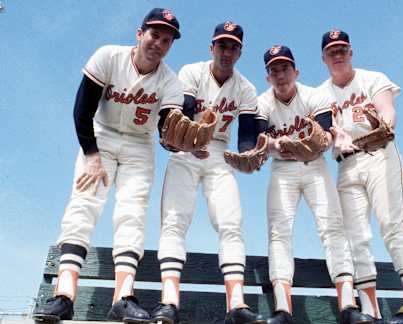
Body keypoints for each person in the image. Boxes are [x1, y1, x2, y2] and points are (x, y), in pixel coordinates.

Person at [32, 8, 184, 323]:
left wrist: (181, 140)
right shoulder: (109, 56)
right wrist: (90, 154)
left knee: (132, 213)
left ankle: (122, 298)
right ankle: (64, 296)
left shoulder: (170, 82)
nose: (159, 43)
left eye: (166, 40)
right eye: (155, 34)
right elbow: (82, 108)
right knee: (83, 205)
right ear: (140, 33)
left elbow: (166, 131)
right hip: (100, 135)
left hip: (139, 146)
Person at [151, 21, 266, 324]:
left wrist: (247, 153)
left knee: (231, 223)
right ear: (211, 47)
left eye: (233, 46)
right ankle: (169, 302)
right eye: (222, 45)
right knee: (175, 222)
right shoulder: (192, 72)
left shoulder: (246, 88)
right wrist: (189, 141)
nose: (226, 51)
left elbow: (246, 135)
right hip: (187, 149)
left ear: (240, 52)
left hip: (219, 153)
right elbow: (185, 112)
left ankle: (236, 304)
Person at [320, 29, 403, 324]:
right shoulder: (321, 94)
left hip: (379, 154)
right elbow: (325, 129)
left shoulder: (372, 78)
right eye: (332, 51)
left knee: (392, 225)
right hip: (346, 164)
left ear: (351, 52)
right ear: (324, 57)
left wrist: (381, 123)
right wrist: (335, 135)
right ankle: (370, 311)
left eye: (342, 49)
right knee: (356, 236)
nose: (338, 55)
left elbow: (387, 112)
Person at [256, 45, 374, 324]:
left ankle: (348, 306)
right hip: (282, 171)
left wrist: (298, 145)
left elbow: (324, 134)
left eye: (285, 68)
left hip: (313, 166)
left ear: (296, 71)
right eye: (274, 70)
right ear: (267, 77)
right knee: (279, 233)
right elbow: (255, 138)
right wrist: (272, 144)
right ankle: (283, 310)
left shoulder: (313, 95)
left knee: (332, 227)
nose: (280, 74)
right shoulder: (263, 102)